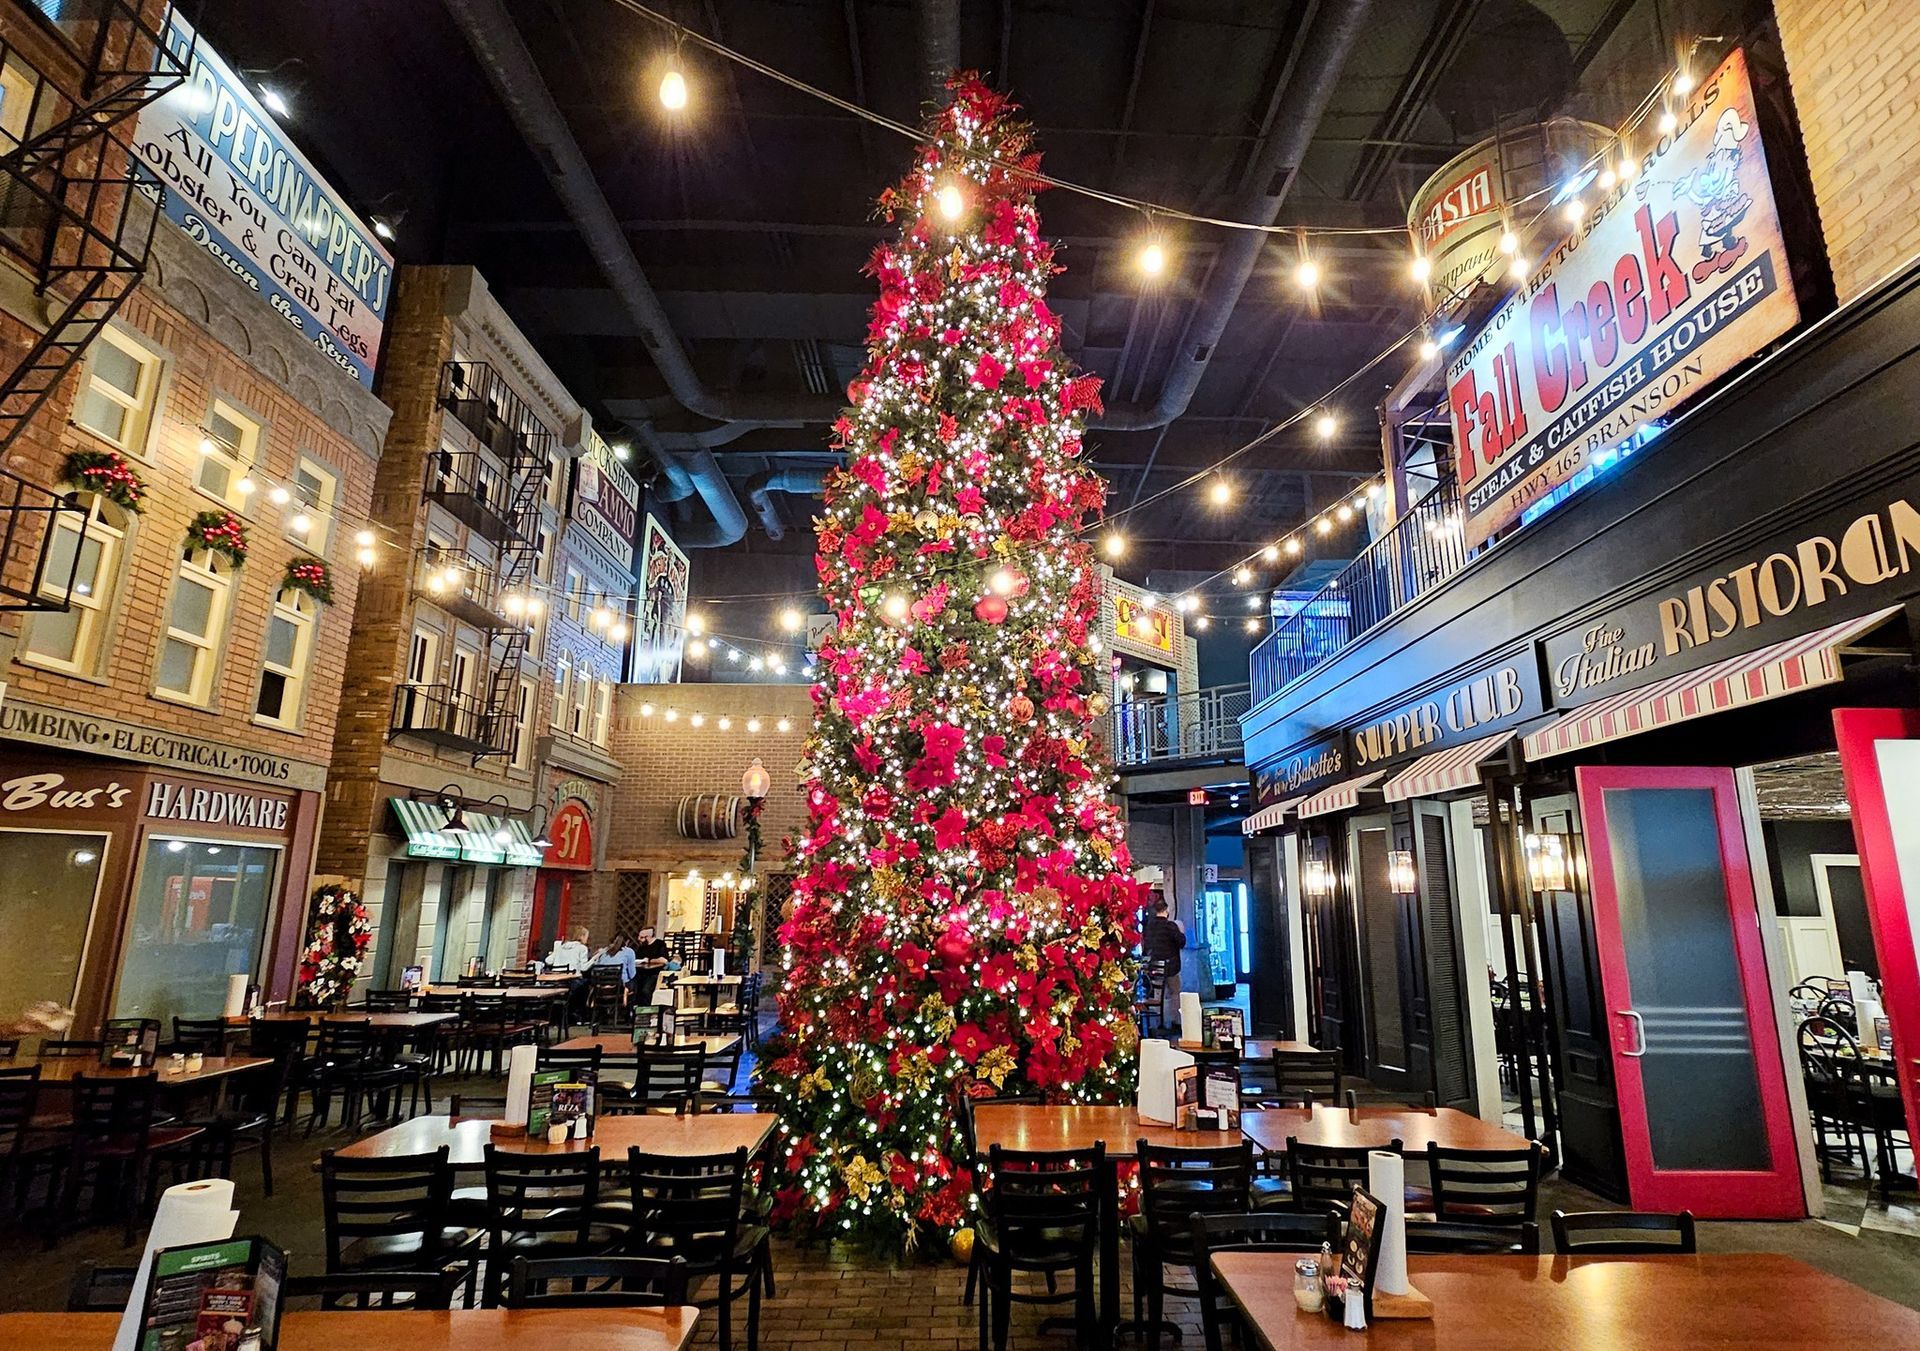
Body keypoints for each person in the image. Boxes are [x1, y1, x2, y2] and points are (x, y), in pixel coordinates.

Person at [1141, 894, 1186, 1025]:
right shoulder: (1170, 926)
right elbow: (1181, 942)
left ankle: (1155, 1022)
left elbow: (1146, 945)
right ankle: (1174, 1020)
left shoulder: (1149, 927)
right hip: (1171, 966)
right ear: (1166, 910)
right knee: (1175, 992)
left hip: (1153, 967)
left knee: (1156, 993)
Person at [633, 927, 670, 1003]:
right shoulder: (641, 947)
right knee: (635, 988)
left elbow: (664, 960)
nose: (639, 939)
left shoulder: (660, 944)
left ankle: (649, 1008)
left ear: (648, 937)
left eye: (642, 937)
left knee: (646, 990)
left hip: (655, 973)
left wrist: (650, 960)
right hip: (641, 973)